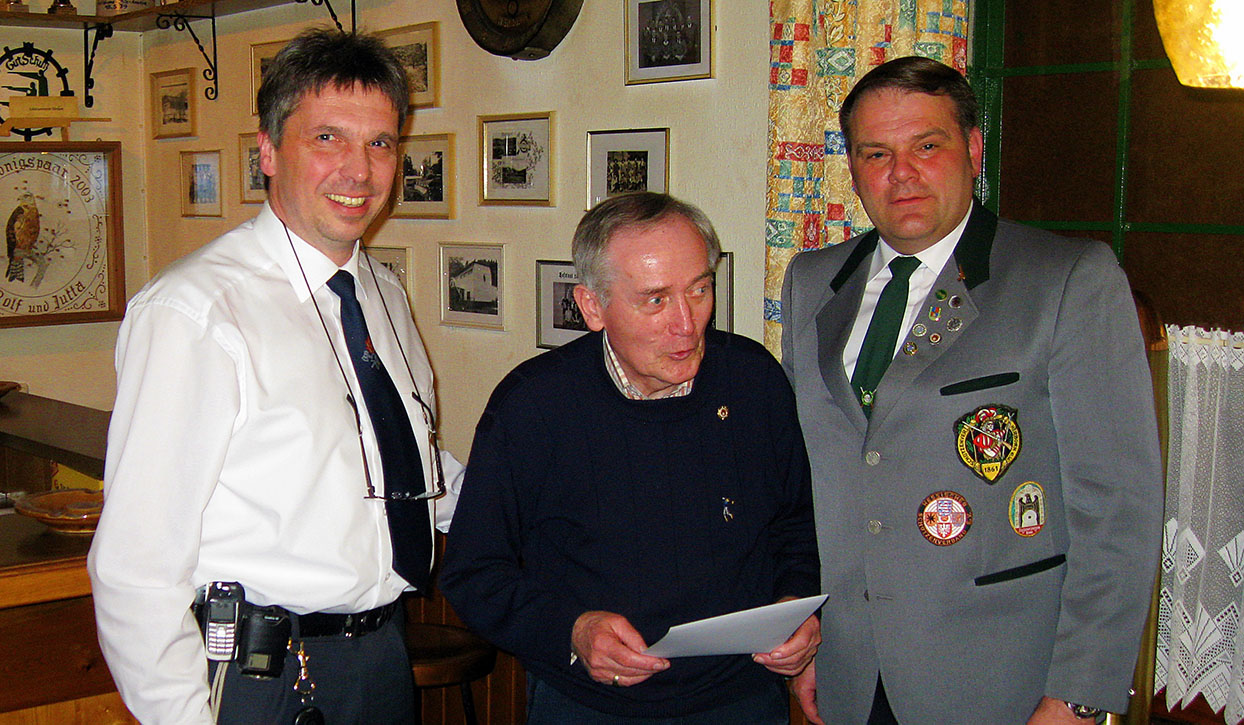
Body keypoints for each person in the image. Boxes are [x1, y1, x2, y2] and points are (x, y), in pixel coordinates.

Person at [87, 29, 464, 724]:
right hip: (263, 674)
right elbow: (137, 564)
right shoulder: (196, 312)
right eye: (328, 138)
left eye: (380, 143)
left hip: (381, 657)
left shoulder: (381, 292)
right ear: (267, 150)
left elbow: (400, 462)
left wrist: (529, 508)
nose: (359, 170)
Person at [780, 56, 1163, 724]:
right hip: (850, 670)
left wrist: (1079, 694)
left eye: (927, 146)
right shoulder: (812, 281)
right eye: (876, 154)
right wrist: (807, 633)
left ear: (975, 149)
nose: (901, 173)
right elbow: (806, 480)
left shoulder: (1065, 279)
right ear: (854, 169)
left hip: (1001, 681)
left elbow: (1118, 507)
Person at [440, 192, 821, 723]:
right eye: (656, 300)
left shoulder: (754, 380)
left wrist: (795, 604)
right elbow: (474, 573)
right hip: (589, 703)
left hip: (742, 696)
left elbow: (796, 526)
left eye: (700, 289)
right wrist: (571, 630)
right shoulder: (533, 407)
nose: (687, 324)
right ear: (592, 307)